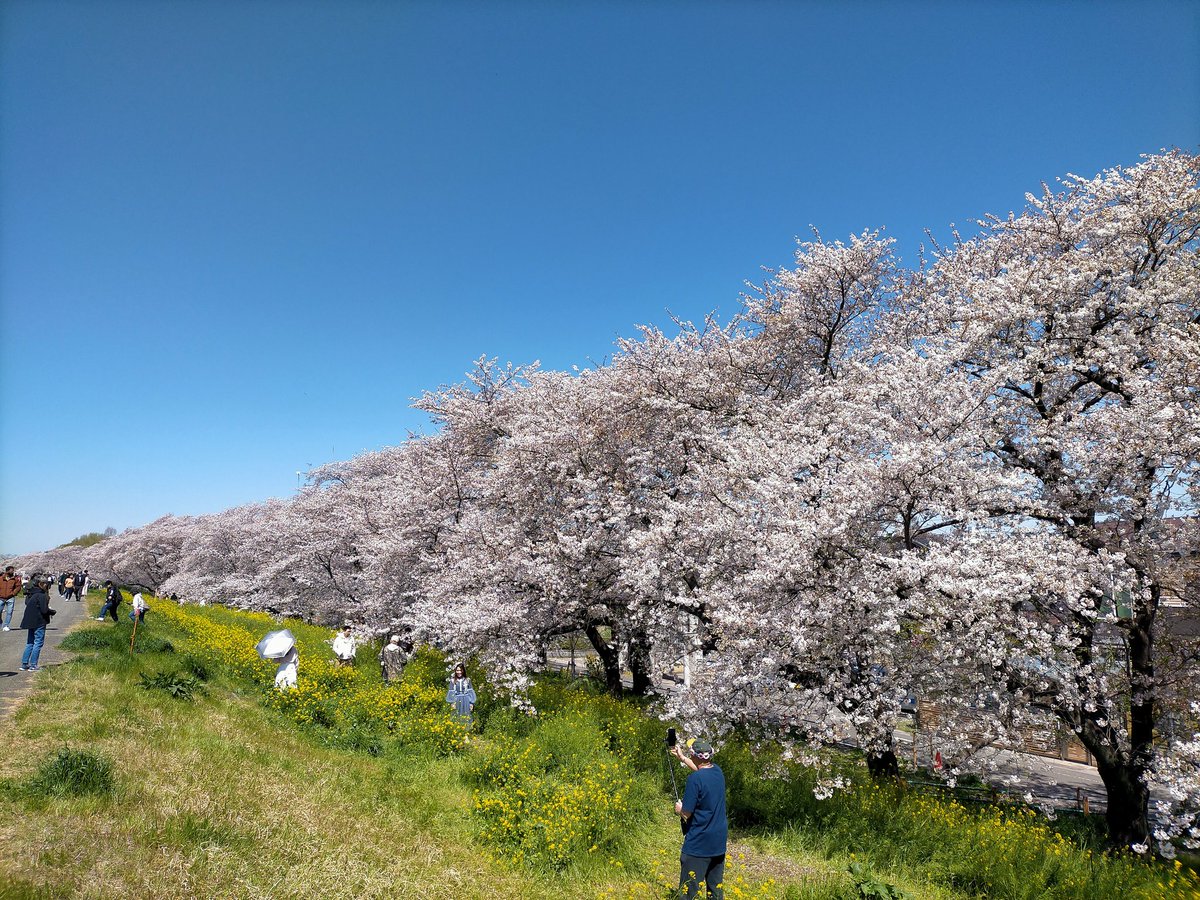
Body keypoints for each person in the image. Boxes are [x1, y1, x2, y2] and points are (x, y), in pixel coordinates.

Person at [670, 738, 728, 900]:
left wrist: (679, 810)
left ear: (694, 754)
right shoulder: (717, 771)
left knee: (688, 892)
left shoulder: (694, 780)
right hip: (718, 843)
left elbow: (686, 814)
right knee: (715, 891)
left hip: (699, 844)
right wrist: (682, 758)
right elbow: (701, 770)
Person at [19, 574, 55, 672]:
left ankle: (24, 664)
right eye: (45, 584)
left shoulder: (31, 593)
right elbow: (44, 610)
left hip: (30, 621)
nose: (46, 585)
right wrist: (52, 612)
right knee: (38, 643)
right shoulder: (42, 595)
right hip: (39, 621)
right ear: (40, 584)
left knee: (30, 642)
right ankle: (33, 665)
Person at [0, 565, 21, 631]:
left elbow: (18, 586)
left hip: (10, 597)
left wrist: (13, 593)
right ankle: (1, 624)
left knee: (9, 612)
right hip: (1, 597)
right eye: (12, 570)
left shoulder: (15, 579)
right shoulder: (1, 578)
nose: (13, 572)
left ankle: (6, 625)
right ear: (7, 571)